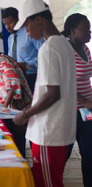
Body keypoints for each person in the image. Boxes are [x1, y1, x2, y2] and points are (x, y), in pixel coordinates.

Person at [12, 1, 77, 187]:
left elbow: (53, 94)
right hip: (57, 128)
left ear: (38, 19)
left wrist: (24, 115)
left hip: (48, 132)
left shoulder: (48, 49)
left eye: (26, 25)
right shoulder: (64, 45)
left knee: (48, 183)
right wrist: (30, 107)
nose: (27, 31)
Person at [62, 13, 92, 187]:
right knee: (63, 154)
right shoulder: (65, 51)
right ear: (72, 30)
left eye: (89, 27)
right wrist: (83, 100)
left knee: (89, 154)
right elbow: (63, 82)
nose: (89, 31)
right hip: (70, 112)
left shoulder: (85, 49)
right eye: (85, 28)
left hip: (86, 112)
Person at [2, 7, 44, 93]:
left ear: (18, 19)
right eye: (5, 24)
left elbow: (45, 55)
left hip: (32, 77)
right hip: (17, 78)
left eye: (10, 23)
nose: (7, 27)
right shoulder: (11, 38)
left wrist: (27, 65)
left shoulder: (31, 33)